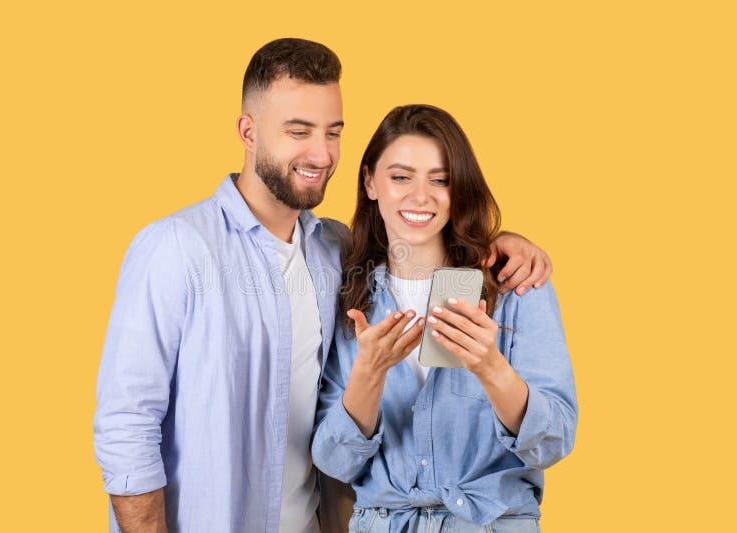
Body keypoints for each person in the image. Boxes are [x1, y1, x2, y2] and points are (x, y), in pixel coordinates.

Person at [93, 39, 553, 533]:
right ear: (248, 132)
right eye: (299, 131)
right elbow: (127, 427)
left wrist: (498, 242)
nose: (321, 153)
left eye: (333, 132)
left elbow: (418, 234)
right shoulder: (175, 247)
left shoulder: (336, 250)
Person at [312, 104, 577, 532]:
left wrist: (490, 368)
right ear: (370, 182)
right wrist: (368, 375)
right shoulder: (347, 294)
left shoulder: (515, 285)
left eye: (441, 180)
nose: (421, 197)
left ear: (460, 190)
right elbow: (335, 462)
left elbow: (553, 441)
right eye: (401, 177)